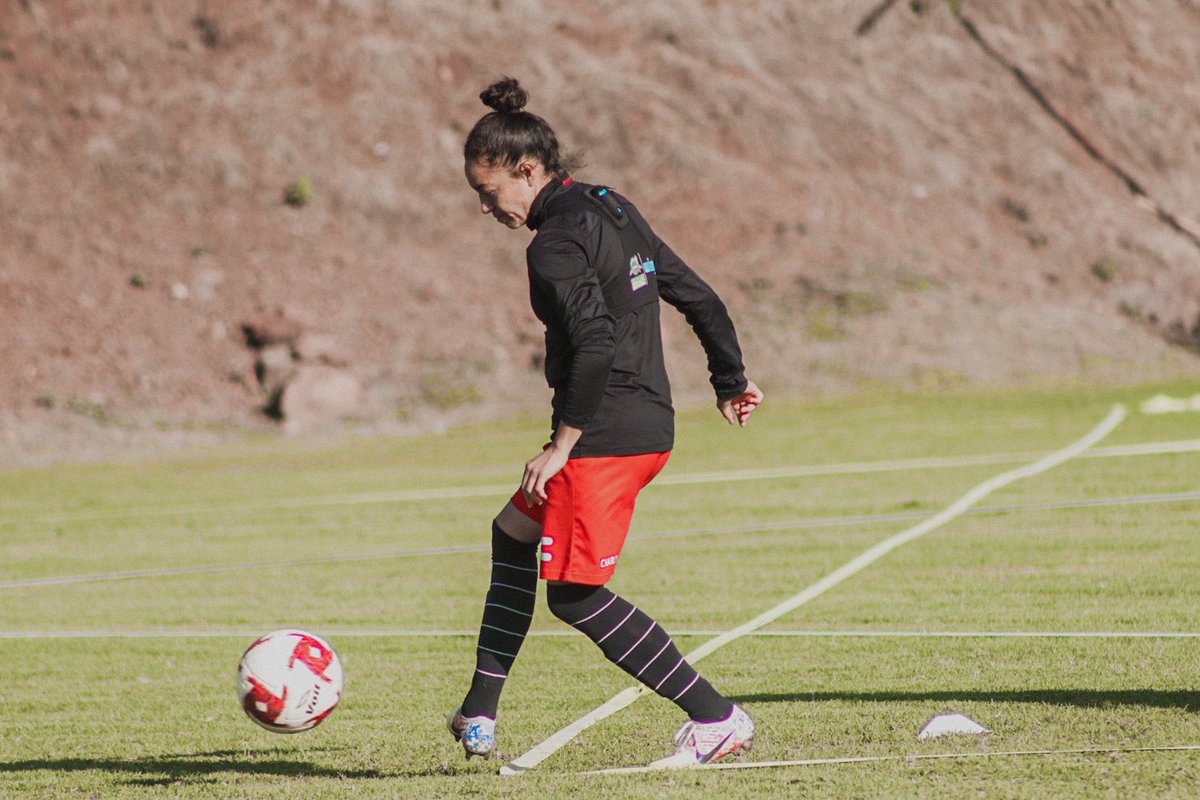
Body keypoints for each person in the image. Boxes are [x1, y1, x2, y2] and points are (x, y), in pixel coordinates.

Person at [447, 76, 764, 768]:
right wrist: (730, 378)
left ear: (525, 171)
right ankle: (479, 709)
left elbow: (593, 343)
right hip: (642, 422)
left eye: (488, 190)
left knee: (575, 595)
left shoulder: (552, 247)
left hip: (604, 435)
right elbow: (695, 292)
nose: (484, 206)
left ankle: (716, 718)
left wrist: (563, 444)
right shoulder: (609, 205)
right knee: (511, 535)